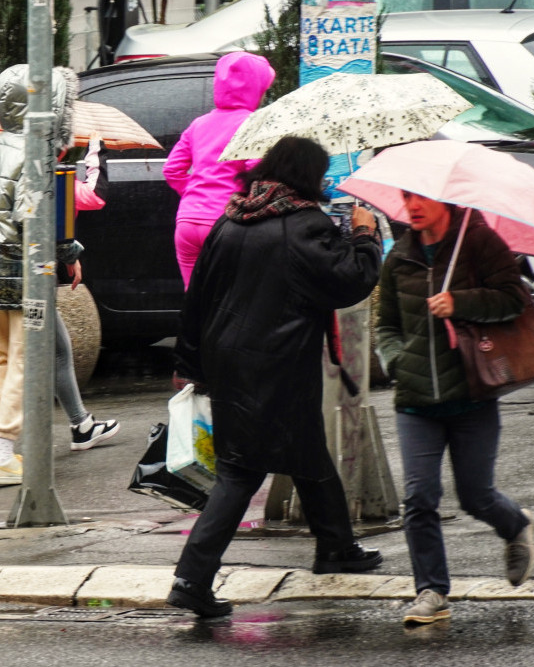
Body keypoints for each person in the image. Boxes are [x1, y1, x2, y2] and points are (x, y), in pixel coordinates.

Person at [167, 136, 384, 618]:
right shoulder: (303, 225)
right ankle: (191, 577)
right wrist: (366, 236)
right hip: (276, 365)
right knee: (241, 471)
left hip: (232, 361)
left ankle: (336, 548)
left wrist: (189, 364)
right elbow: (348, 280)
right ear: (307, 174)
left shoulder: (232, 217)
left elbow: (196, 298)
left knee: (306, 449)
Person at [375, 191, 534, 626]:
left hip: (471, 391)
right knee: (419, 497)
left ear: (446, 201)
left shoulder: (479, 242)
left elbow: (512, 299)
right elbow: (386, 324)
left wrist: (460, 301)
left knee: (476, 496)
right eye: (406, 196)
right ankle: (431, 592)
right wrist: (396, 361)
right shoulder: (400, 257)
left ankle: (515, 526)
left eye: (422, 196)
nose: (413, 205)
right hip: (415, 401)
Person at [0, 64, 102, 487]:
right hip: (22, 273)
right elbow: (38, 221)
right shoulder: (35, 154)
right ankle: (1, 453)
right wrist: (70, 254)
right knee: (23, 360)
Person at [163, 51, 276, 286]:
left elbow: (172, 170)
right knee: (227, 302)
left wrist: (197, 192)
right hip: (225, 222)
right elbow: (256, 175)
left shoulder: (199, 124)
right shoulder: (252, 123)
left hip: (187, 220)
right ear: (255, 88)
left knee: (195, 299)